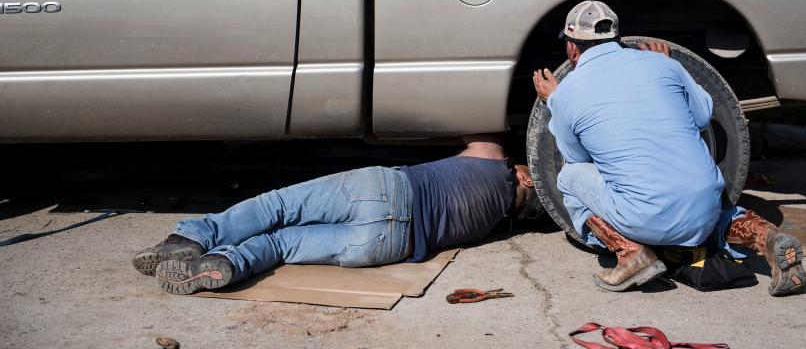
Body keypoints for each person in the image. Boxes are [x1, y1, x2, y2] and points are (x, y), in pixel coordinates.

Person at [532, 0, 806, 296]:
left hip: (642, 220)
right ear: (616, 37)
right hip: (705, 209)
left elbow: (576, 157)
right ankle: (767, 236)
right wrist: (667, 65)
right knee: (710, 210)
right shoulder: (662, 64)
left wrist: (557, 102)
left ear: (572, 48)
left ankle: (630, 253)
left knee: (569, 176)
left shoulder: (567, 92)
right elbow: (703, 115)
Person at [133, 136, 542, 294]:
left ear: (525, 182)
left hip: (387, 190)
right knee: (280, 243)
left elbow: (478, 131)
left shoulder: (494, 162)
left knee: (276, 206)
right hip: (389, 245)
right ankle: (224, 264)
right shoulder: (492, 227)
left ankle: (189, 239)